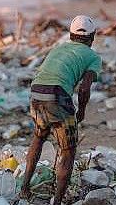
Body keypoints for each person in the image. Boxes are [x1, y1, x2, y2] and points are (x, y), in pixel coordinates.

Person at [20, 15, 102, 204]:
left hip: (37, 91)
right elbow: (84, 87)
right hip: (57, 95)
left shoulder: (58, 49)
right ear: (93, 37)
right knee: (68, 150)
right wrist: (81, 110)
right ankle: (57, 201)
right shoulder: (93, 57)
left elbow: (45, 73)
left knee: (39, 137)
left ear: (71, 35)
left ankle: (24, 188)